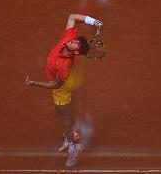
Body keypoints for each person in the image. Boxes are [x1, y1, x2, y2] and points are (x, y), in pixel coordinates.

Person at [25, 14, 103, 167]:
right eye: (74, 40)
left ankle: (73, 146)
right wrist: (93, 21)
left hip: (60, 88)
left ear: (75, 52)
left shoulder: (64, 66)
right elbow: (72, 17)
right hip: (62, 83)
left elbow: (55, 85)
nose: (72, 41)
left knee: (64, 120)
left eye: (75, 44)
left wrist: (34, 83)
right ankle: (71, 134)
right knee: (61, 113)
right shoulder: (69, 38)